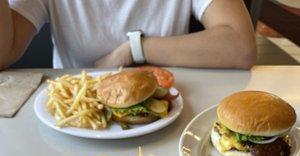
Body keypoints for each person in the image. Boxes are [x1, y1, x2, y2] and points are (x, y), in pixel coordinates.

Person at [0, 0, 256, 70]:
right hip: (72, 125)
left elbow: (241, 46)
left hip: (169, 118)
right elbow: (4, 53)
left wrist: (134, 49)